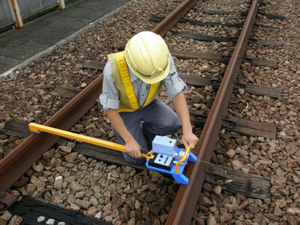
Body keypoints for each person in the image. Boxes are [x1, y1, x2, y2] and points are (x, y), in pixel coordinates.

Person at [99, 31, 198, 165]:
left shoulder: (162, 60)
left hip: (149, 104)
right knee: (138, 158)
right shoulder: (112, 69)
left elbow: (176, 93)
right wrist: (129, 140)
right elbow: (110, 109)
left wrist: (187, 131)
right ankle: (126, 132)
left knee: (173, 123)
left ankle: (145, 132)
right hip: (124, 112)